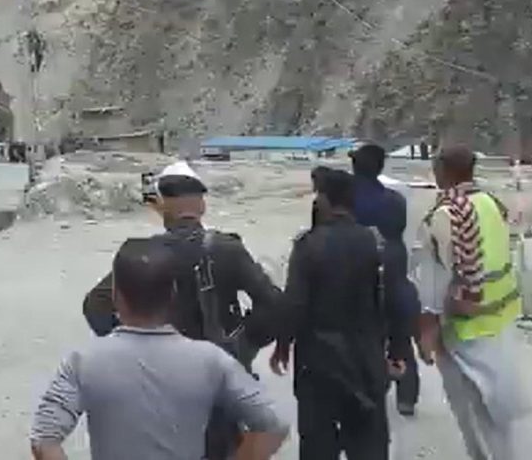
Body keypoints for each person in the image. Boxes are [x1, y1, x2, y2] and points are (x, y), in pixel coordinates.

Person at [83, 160, 283, 459]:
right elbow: (273, 305)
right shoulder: (227, 249)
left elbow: (96, 305)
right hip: (220, 376)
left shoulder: (148, 254)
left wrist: (132, 345)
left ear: (164, 207)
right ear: (201, 206)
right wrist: (245, 344)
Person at [31, 238, 289, 460]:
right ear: (172, 294)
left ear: (116, 295)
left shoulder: (83, 362)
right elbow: (274, 425)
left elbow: (44, 439)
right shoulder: (210, 361)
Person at [271, 169, 411, 460]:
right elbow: (396, 299)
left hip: (317, 361)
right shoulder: (376, 243)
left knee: (318, 442)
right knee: (369, 441)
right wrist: (397, 349)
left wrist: (283, 345)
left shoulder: (308, 246)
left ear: (324, 198)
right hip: (366, 358)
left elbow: (295, 303)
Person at [415, 145, 531, 460]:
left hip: (463, 328)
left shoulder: (447, 214)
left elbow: (436, 278)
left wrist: (427, 331)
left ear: (446, 171)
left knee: (472, 411)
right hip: (498, 317)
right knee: (497, 408)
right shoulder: (490, 203)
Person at [349, 143, 421, 416]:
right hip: (394, 268)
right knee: (400, 333)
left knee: (364, 335)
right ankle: (406, 396)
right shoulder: (395, 200)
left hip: (359, 272)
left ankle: (367, 389)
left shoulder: (344, 199)